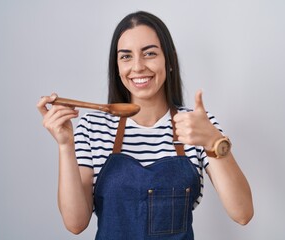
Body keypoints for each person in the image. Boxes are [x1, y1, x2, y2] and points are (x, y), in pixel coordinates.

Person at [37, 11, 253, 239]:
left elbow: (243, 213)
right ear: (117, 66)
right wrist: (65, 145)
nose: (138, 66)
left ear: (169, 60)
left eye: (149, 53)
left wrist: (213, 141)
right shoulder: (92, 128)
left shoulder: (196, 125)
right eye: (126, 56)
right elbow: (75, 223)